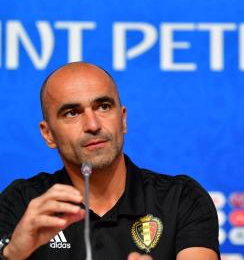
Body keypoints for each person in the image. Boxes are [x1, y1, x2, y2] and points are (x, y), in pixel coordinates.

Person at [0, 62, 219, 260]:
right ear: (48, 134)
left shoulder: (180, 199)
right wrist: (11, 254)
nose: (93, 125)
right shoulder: (22, 203)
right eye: (72, 113)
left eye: (103, 106)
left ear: (123, 119)